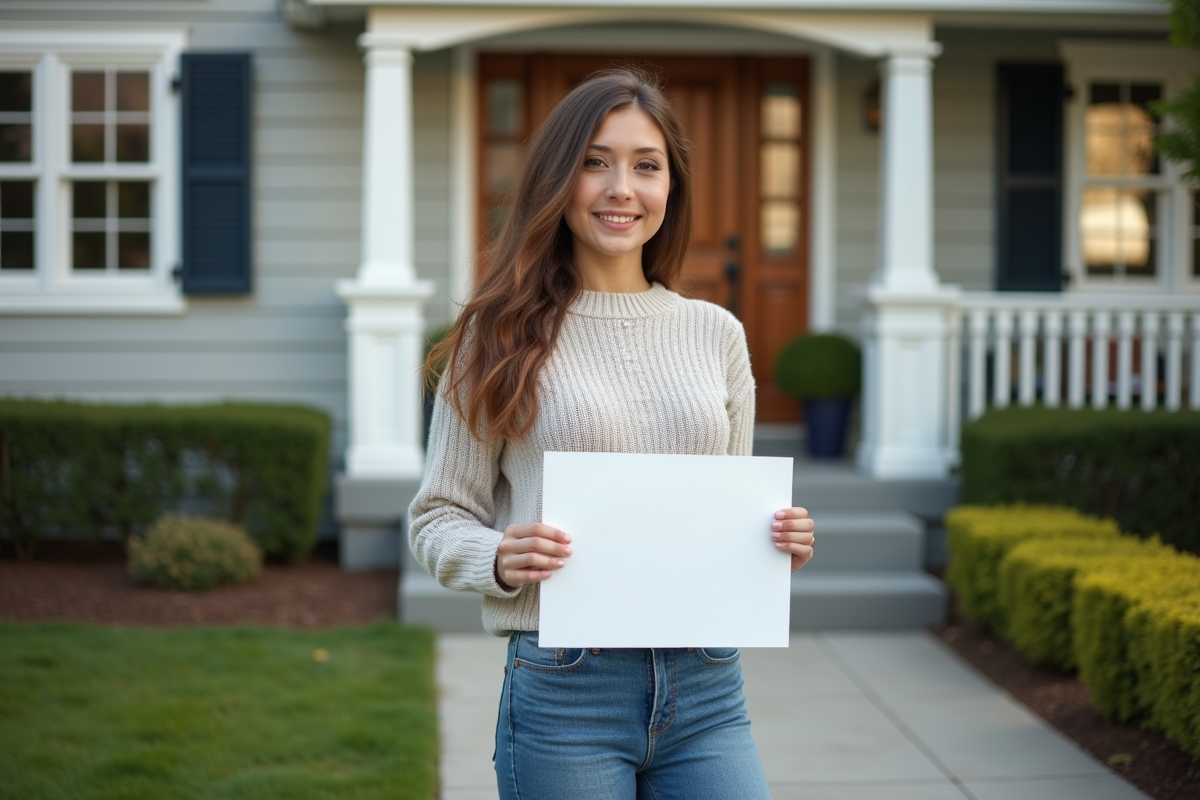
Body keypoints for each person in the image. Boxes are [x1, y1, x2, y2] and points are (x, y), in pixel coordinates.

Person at [409, 67, 816, 800]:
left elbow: (723, 511)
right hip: (567, 688)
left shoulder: (716, 334)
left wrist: (774, 542)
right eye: (595, 162)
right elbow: (437, 516)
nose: (621, 188)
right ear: (558, 182)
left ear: (671, 188)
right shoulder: (496, 336)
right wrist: (498, 555)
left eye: (645, 166)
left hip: (707, 685)